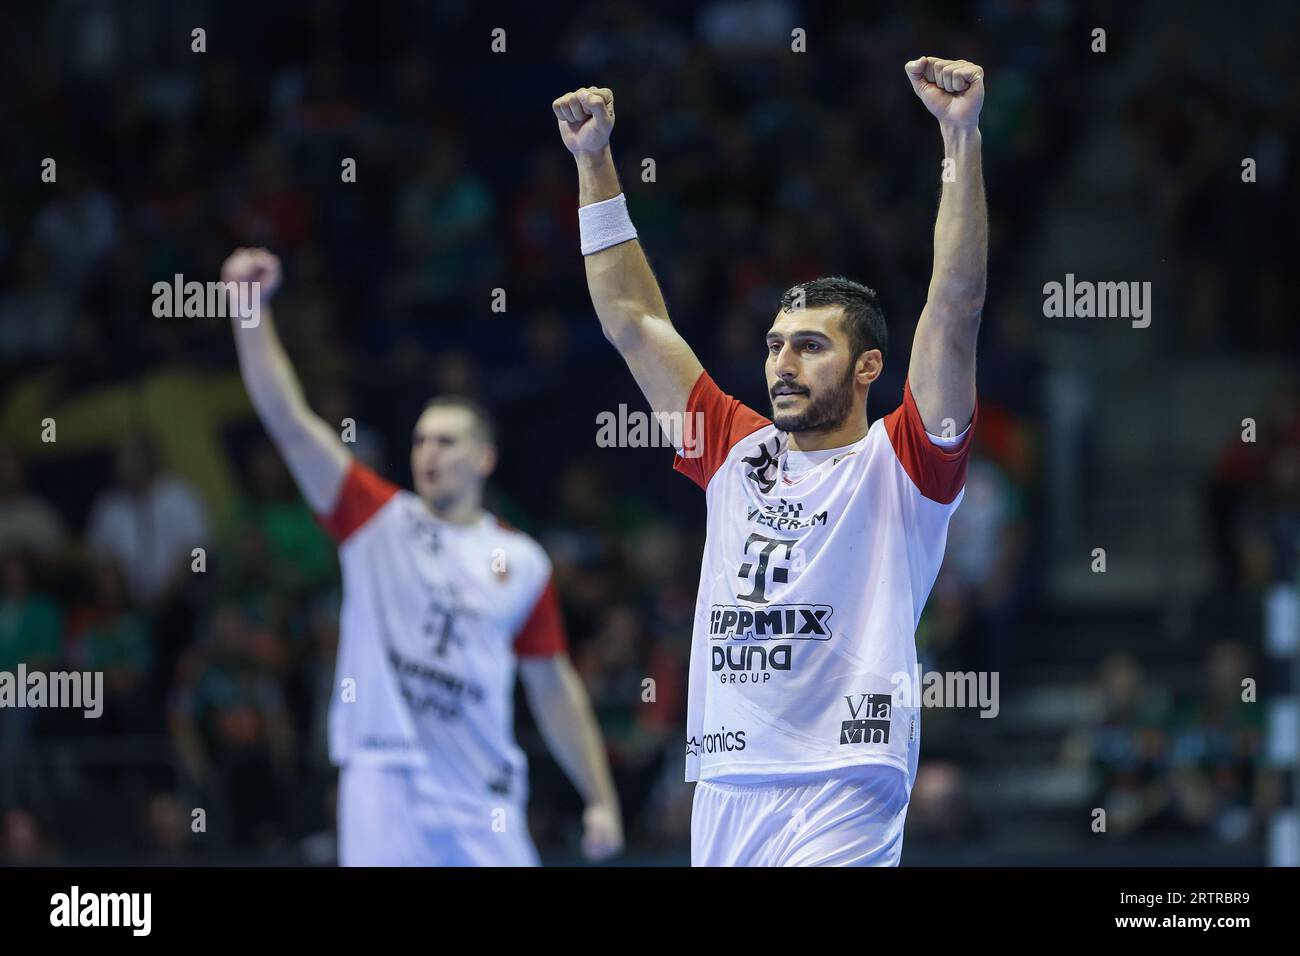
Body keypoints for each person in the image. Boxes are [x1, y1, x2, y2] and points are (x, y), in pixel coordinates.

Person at [553, 55, 986, 866]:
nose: (783, 363)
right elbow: (633, 320)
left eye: (811, 347)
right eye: (775, 345)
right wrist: (594, 163)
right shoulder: (732, 447)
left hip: (847, 775)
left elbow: (954, 308)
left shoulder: (907, 463)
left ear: (867, 369)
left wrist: (959, 139)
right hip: (726, 779)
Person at [221, 247, 622, 866]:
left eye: (447, 441)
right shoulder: (375, 521)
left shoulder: (521, 561)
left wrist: (600, 797)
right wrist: (249, 313)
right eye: (420, 440)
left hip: (481, 790)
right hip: (384, 775)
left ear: (484, 458)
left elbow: (552, 686)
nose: (428, 452)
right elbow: (291, 423)